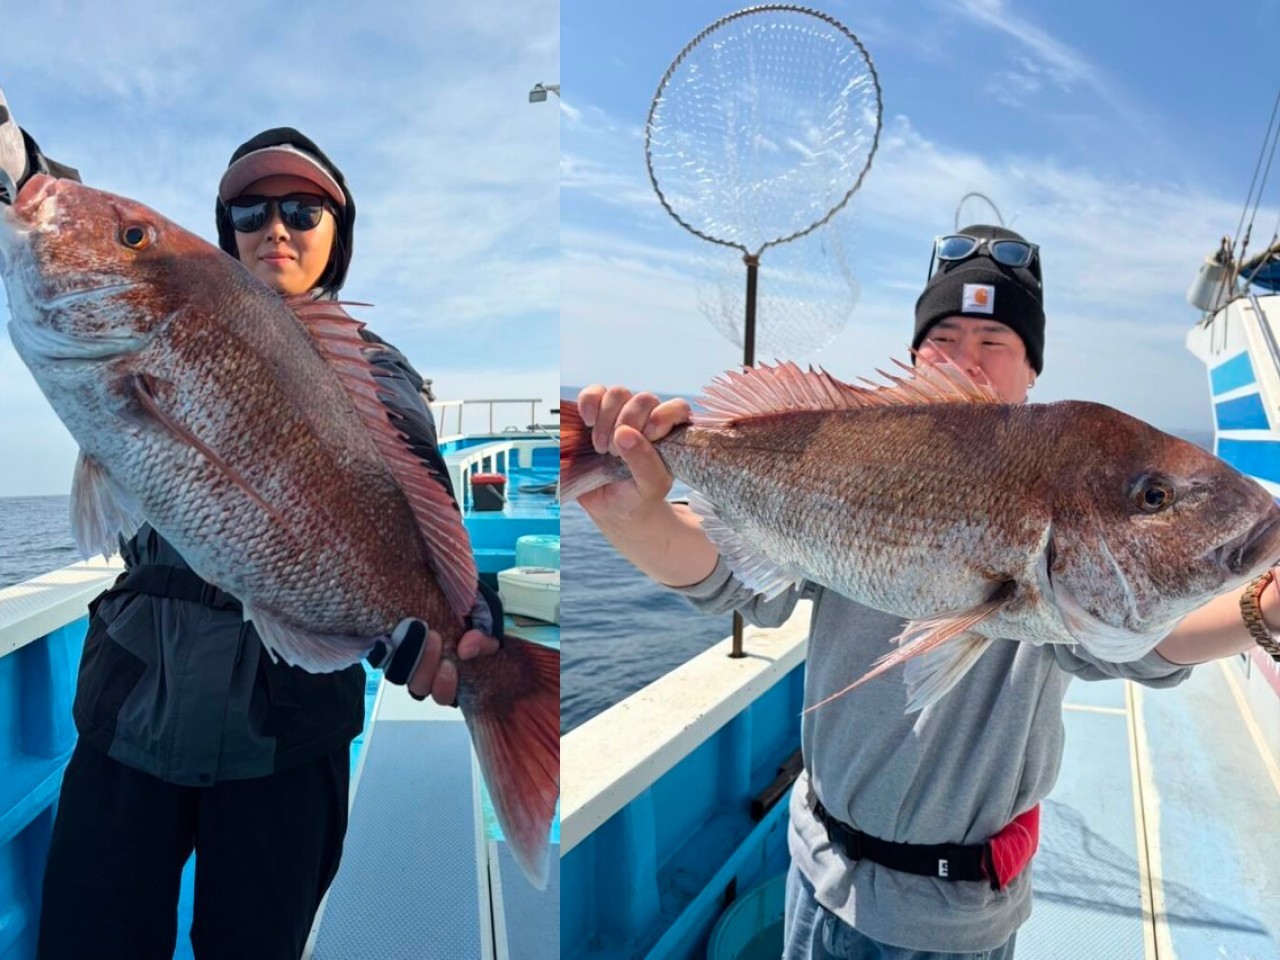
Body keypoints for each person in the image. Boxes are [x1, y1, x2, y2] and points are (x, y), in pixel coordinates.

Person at [575, 224, 1280, 959]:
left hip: (968, 915)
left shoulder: (1067, 566)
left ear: (1032, 371)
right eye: (943, 337)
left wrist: (1264, 609)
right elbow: (728, 578)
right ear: (916, 355)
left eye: (995, 342)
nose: (966, 359)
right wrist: (630, 511)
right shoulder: (866, 452)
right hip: (824, 877)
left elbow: (1153, 635)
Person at [0, 103, 503, 959]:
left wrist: (466, 618)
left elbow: (414, 479)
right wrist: (20, 161)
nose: (276, 227)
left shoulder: (375, 371)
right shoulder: (180, 304)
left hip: (288, 741)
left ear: (336, 233)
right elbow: (82, 224)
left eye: (304, 211)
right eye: (249, 211)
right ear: (225, 233)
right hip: (130, 718)